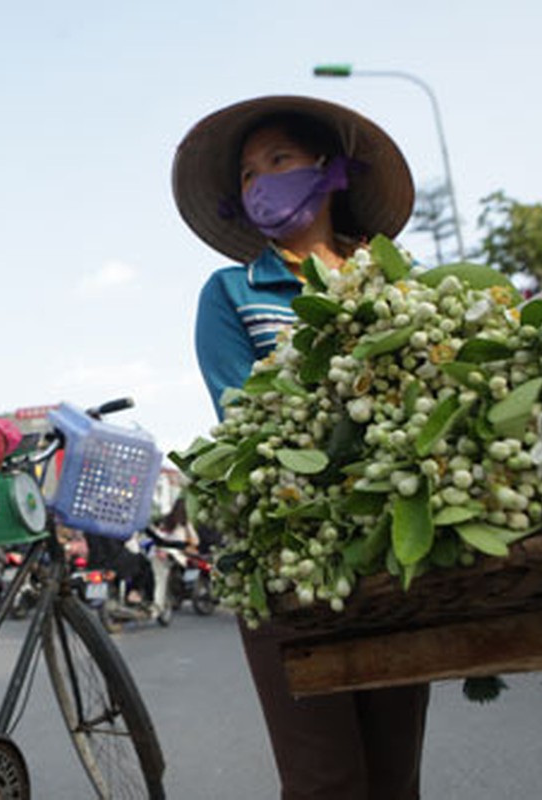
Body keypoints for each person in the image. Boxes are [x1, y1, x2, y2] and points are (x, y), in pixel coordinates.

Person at [172, 95, 430, 799]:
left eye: (277, 161)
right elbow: (241, 415)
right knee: (325, 778)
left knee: (394, 774)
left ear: (325, 169)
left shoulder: (392, 279)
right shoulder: (230, 292)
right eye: (249, 175)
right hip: (289, 548)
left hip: (390, 538)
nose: (261, 184)